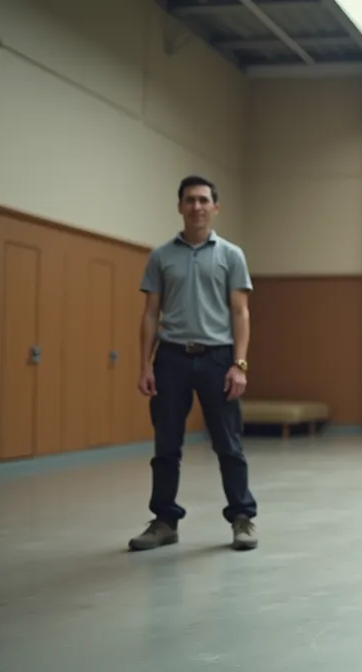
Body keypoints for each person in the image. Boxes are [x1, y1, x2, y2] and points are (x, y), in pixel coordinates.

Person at [128, 175, 259, 552]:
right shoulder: (161, 256)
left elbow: (240, 311)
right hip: (171, 357)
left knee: (229, 445)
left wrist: (240, 365)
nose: (197, 207)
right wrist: (145, 365)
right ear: (180, 206)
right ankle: (165, 521)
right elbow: (151, 314)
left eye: (204, 200)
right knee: (166, 445)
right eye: (190, 200)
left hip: (218, 358)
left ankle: (242, 518)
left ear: (215, 207)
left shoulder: (231, 255)